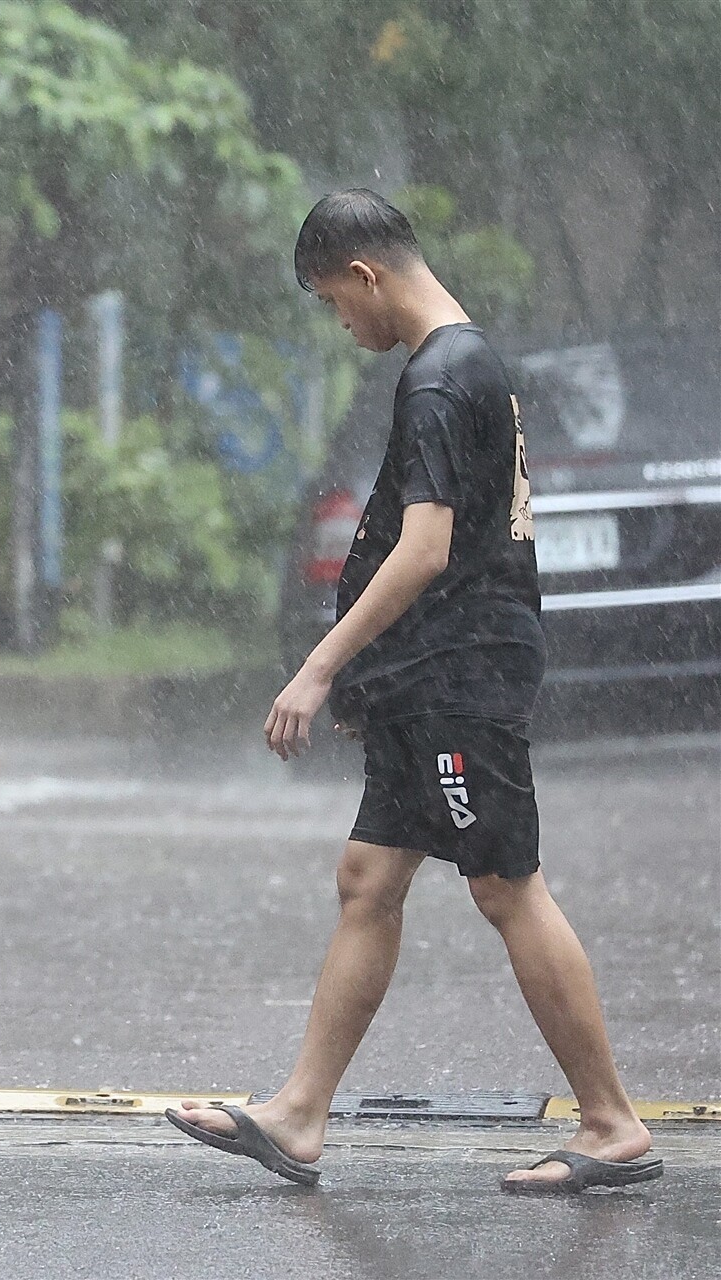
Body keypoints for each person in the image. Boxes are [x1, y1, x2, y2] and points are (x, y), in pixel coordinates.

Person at [166, 191, 661, 1195]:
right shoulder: (465, 359)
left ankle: (610, 1123)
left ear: (365, 276)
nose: (339, 324)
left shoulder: (438, 377)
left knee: (502, 881)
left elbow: (425, 547)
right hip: (428, 675)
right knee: (367, 878)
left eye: (331, 303)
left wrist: (316, 665)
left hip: (456, 674)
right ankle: (298, 1114)